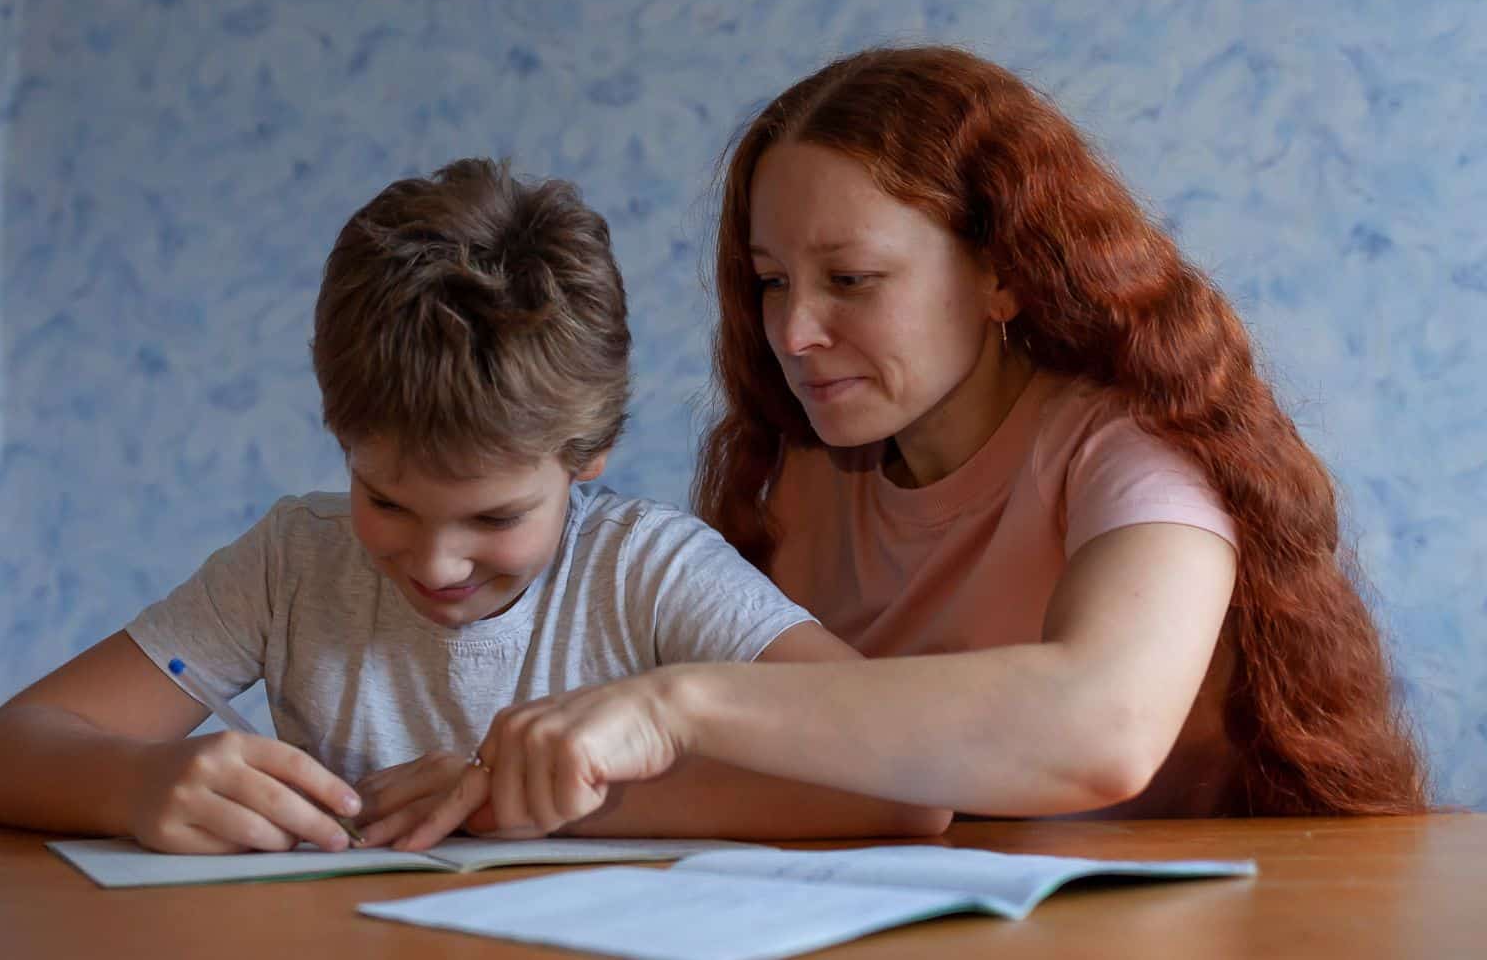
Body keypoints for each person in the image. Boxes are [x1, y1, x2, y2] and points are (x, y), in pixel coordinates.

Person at [407, 46, 1427, 843]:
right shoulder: (800, 483)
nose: (794, 332)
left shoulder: (1125, 452)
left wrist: (676, 705)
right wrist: (516, 793)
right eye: (771, 280)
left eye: (850, 280)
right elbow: (809, 784)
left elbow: (1099, 732)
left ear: (1003, 273)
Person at [0, 158, 949, 854]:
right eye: (385, 499)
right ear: (341, 441)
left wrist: (540, 804)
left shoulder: (650, 571)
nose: (434, 563)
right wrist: (135, 785)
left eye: (493, 518)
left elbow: (906, 787)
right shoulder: (287, 566)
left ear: (590, 454)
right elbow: (2, 754)